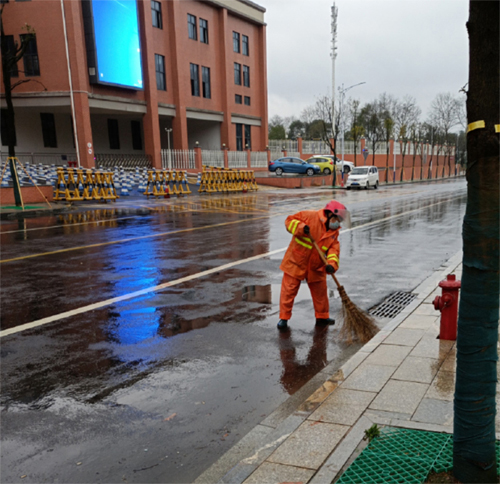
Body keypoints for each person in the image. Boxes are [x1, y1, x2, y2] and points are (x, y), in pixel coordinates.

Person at [277, 200, 350, 331]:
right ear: (329, 215)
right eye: (337, 219)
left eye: (340, 220)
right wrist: (300, 228)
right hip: (296, 261)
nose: (338, 223)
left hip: (316, 266)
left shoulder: (333, 233)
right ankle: (284, 318)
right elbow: (289, 221)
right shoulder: (310, 216)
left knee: (321, 293)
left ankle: (322, 317)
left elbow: (334, 251)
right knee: (288, 291)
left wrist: (332, 265)